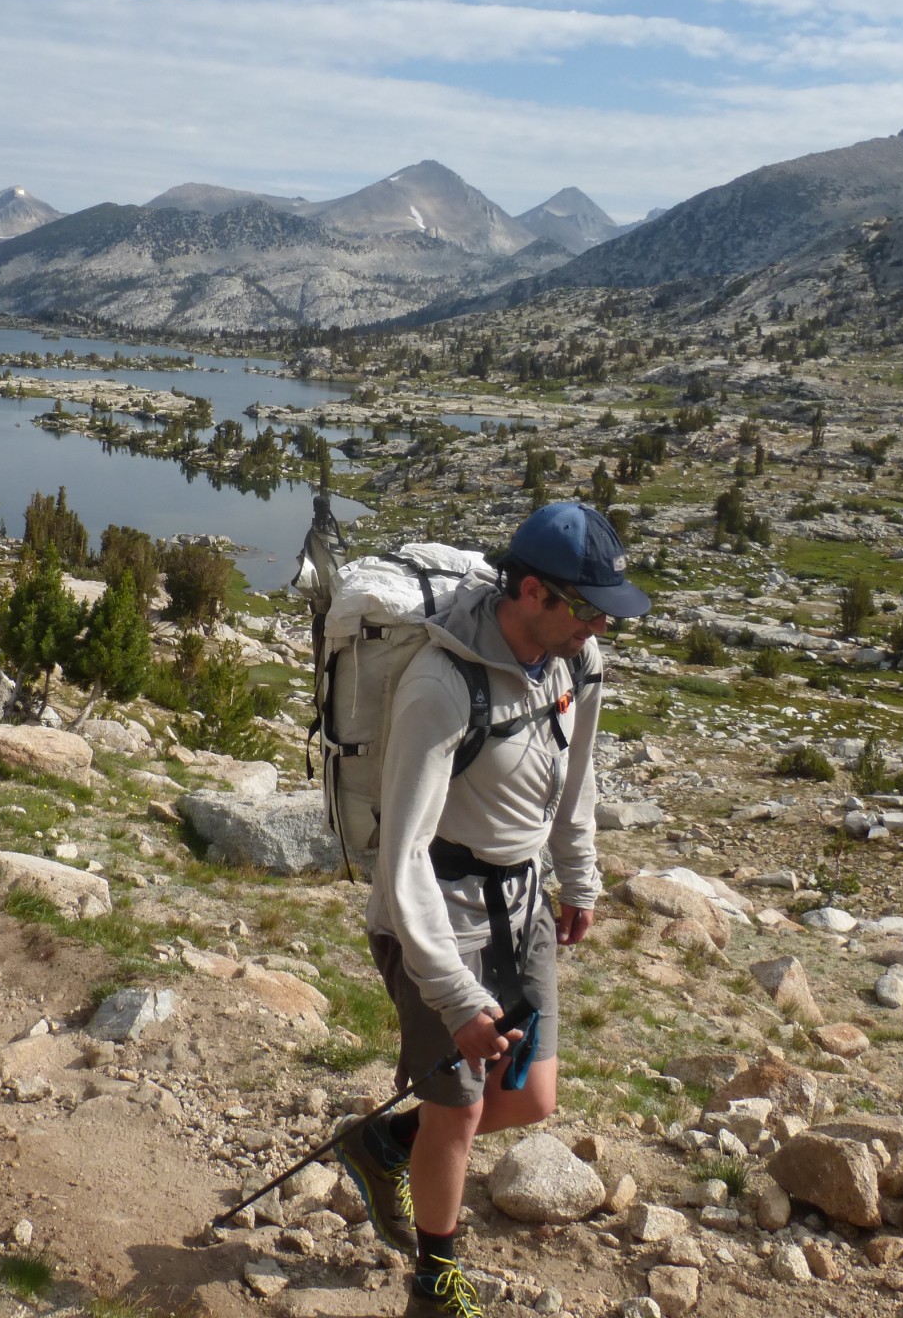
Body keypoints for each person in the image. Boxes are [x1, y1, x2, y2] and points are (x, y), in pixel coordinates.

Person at [335, 502, 650, 1318]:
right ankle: (435, 1286)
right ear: (533, 592)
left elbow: (578, 777)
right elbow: (403, 855)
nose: (601, 628)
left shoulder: (574, 662)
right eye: (587, 609)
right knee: (463, 1106)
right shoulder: (440, 686)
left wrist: (578, 877)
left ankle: (382, 1143)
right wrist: (455, 995)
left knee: (532, 1096)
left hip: (522, 901)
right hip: (436, 918)